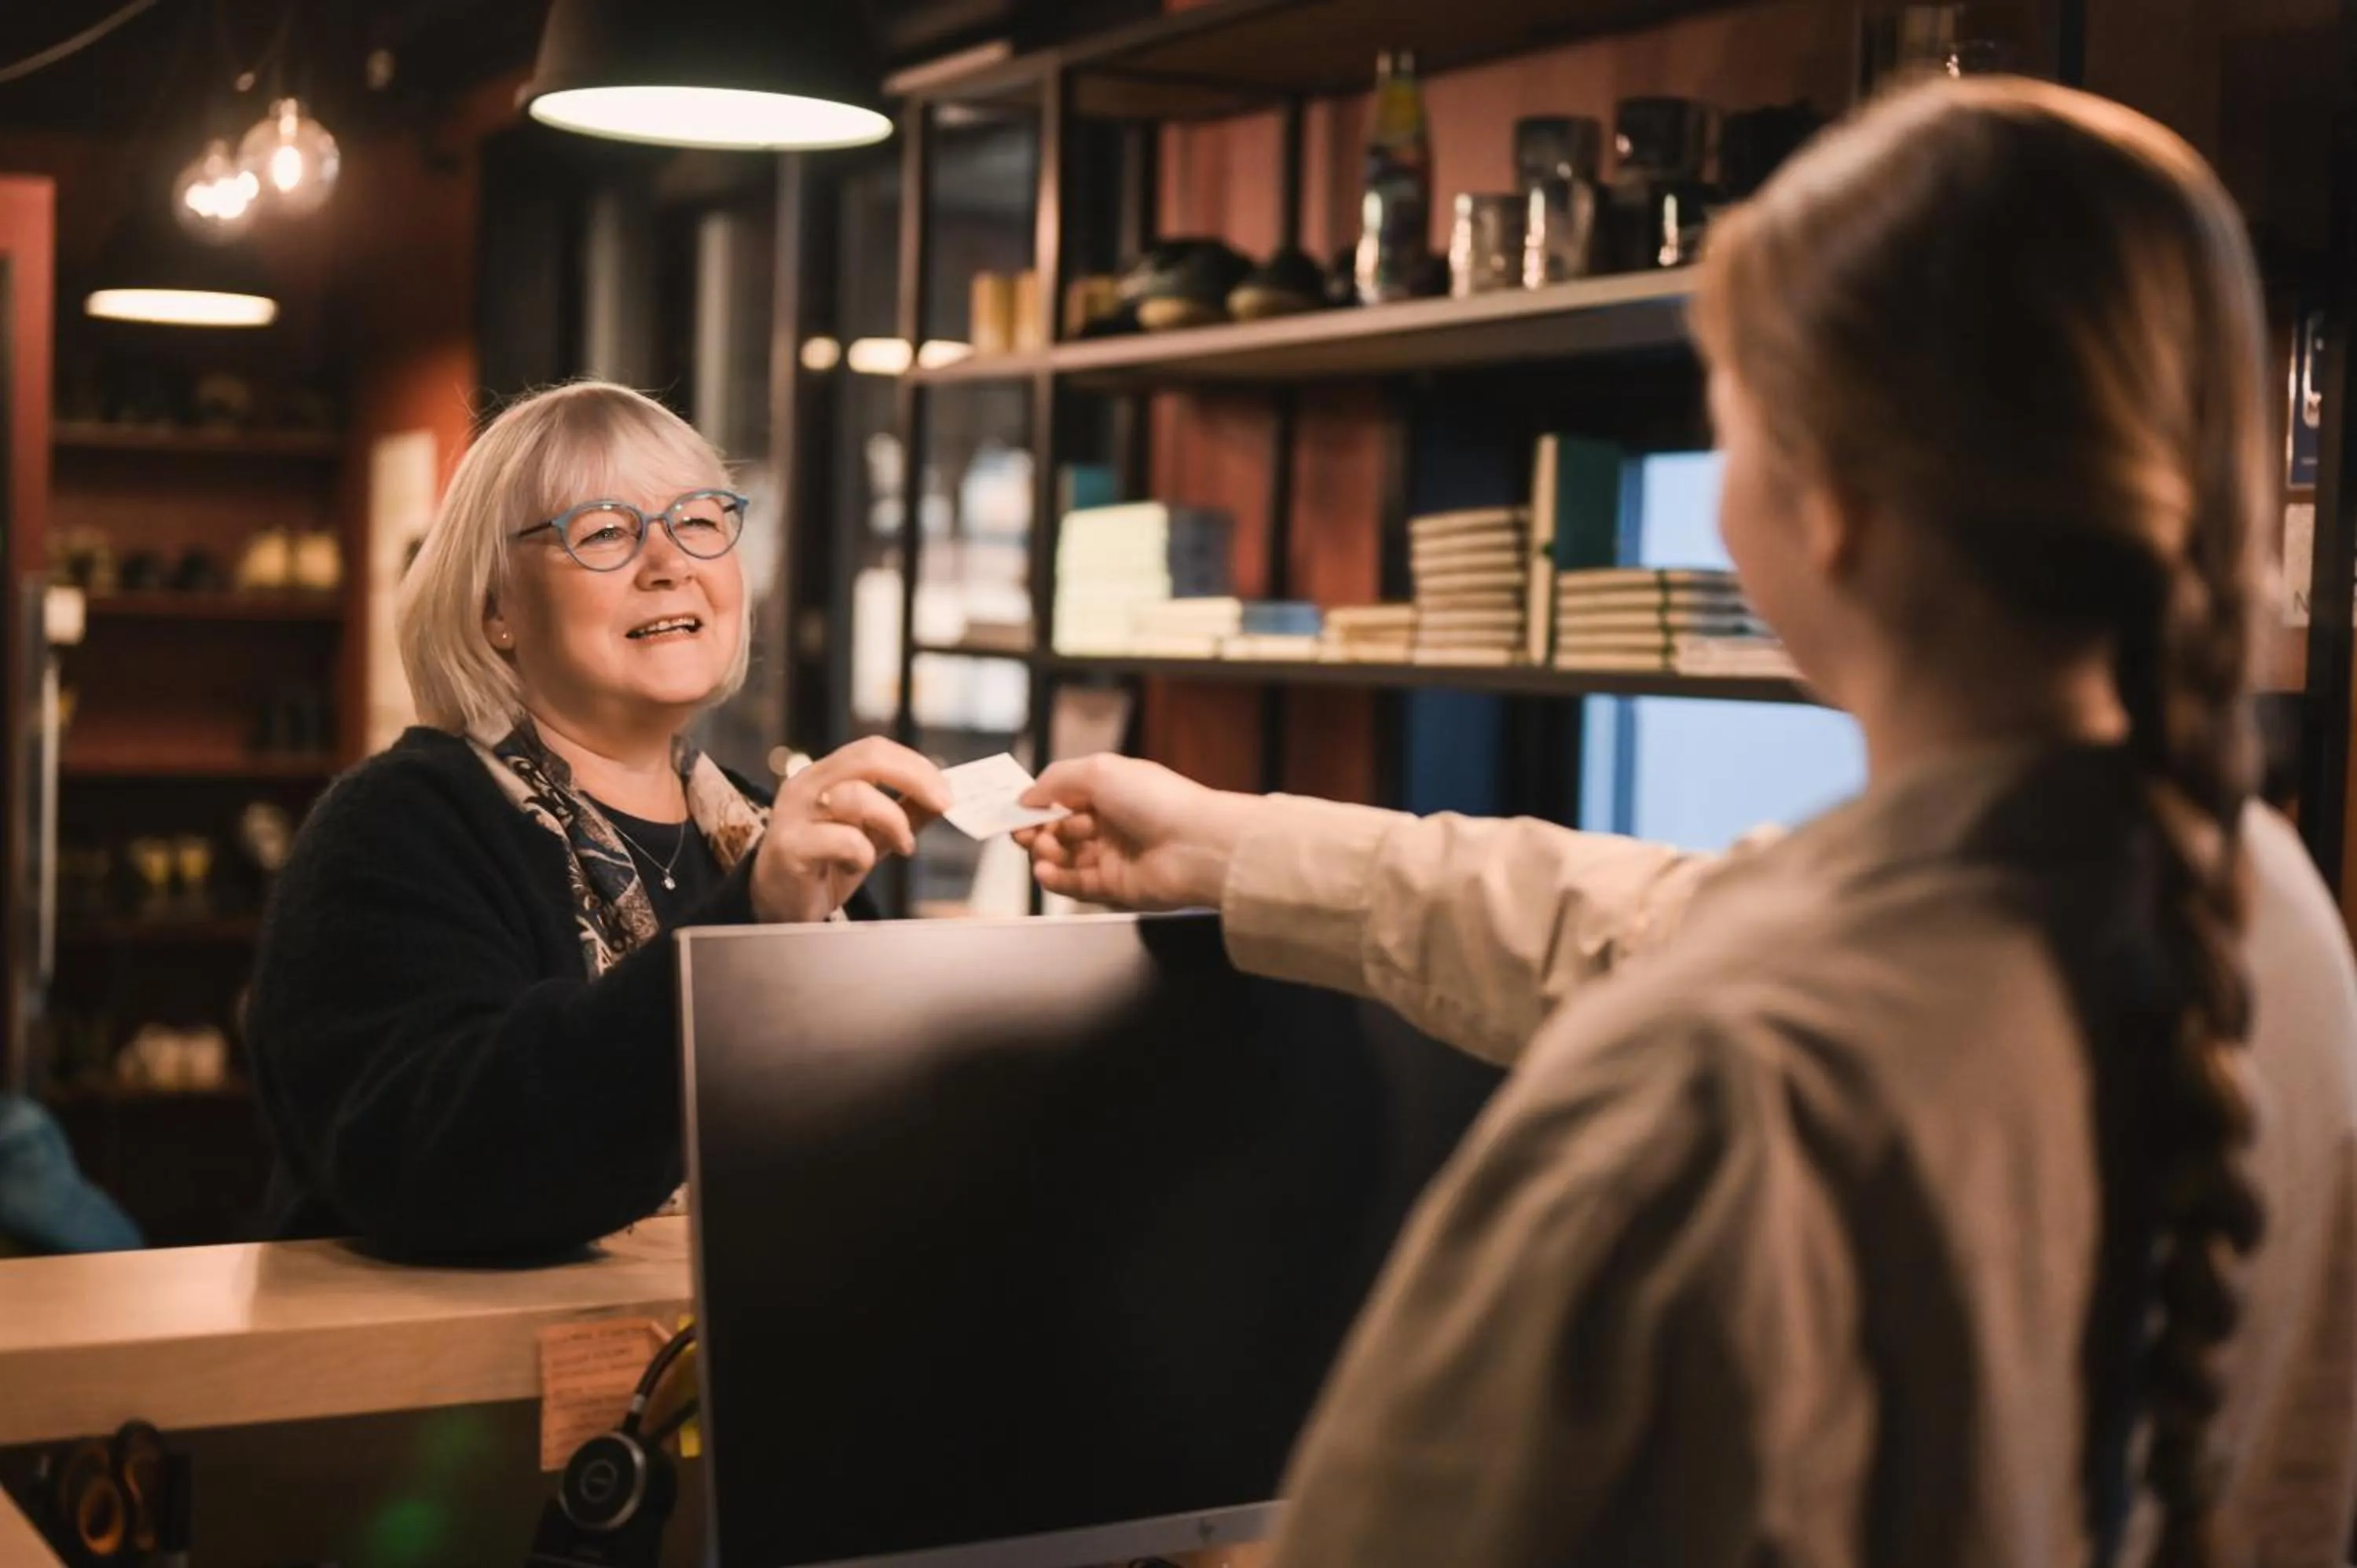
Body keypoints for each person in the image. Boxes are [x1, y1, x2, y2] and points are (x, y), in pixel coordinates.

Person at [1020, 78, 2357, 1566]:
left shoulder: (1711, 1100)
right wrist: (1235, 843)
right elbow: (1663, 917)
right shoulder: (2262, 911)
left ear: (1831, 500)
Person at [248, 382, 950, 1257]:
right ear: (494, 609)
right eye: (607, 531)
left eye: (698, 520)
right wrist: (747, 932)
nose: (669, 562)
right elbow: (441, 1167)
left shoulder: (766, 835)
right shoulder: (395, 827)